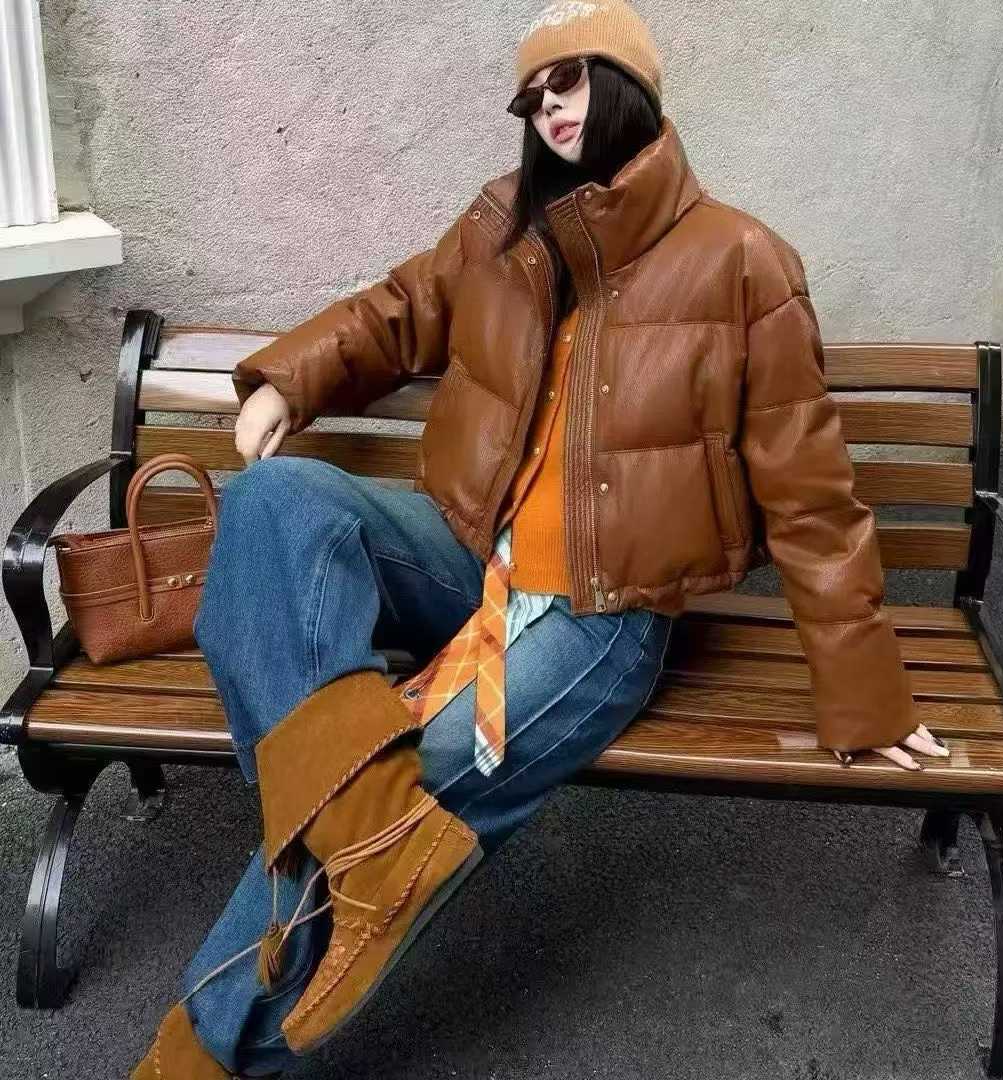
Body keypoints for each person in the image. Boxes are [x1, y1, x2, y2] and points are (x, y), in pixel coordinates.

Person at [132, 2, 950, 1076]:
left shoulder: (743, 262)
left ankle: (195, 1057)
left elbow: (813, 496)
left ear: (631, 85)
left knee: (394, 787)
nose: (551, 109)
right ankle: (369, 831)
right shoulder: (504, 227)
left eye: (572, 80)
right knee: (277, 504)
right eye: (534, 95)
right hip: (466, 557)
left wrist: (869, 695)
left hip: (599, 615)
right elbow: (396, 310)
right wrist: (288, 379)